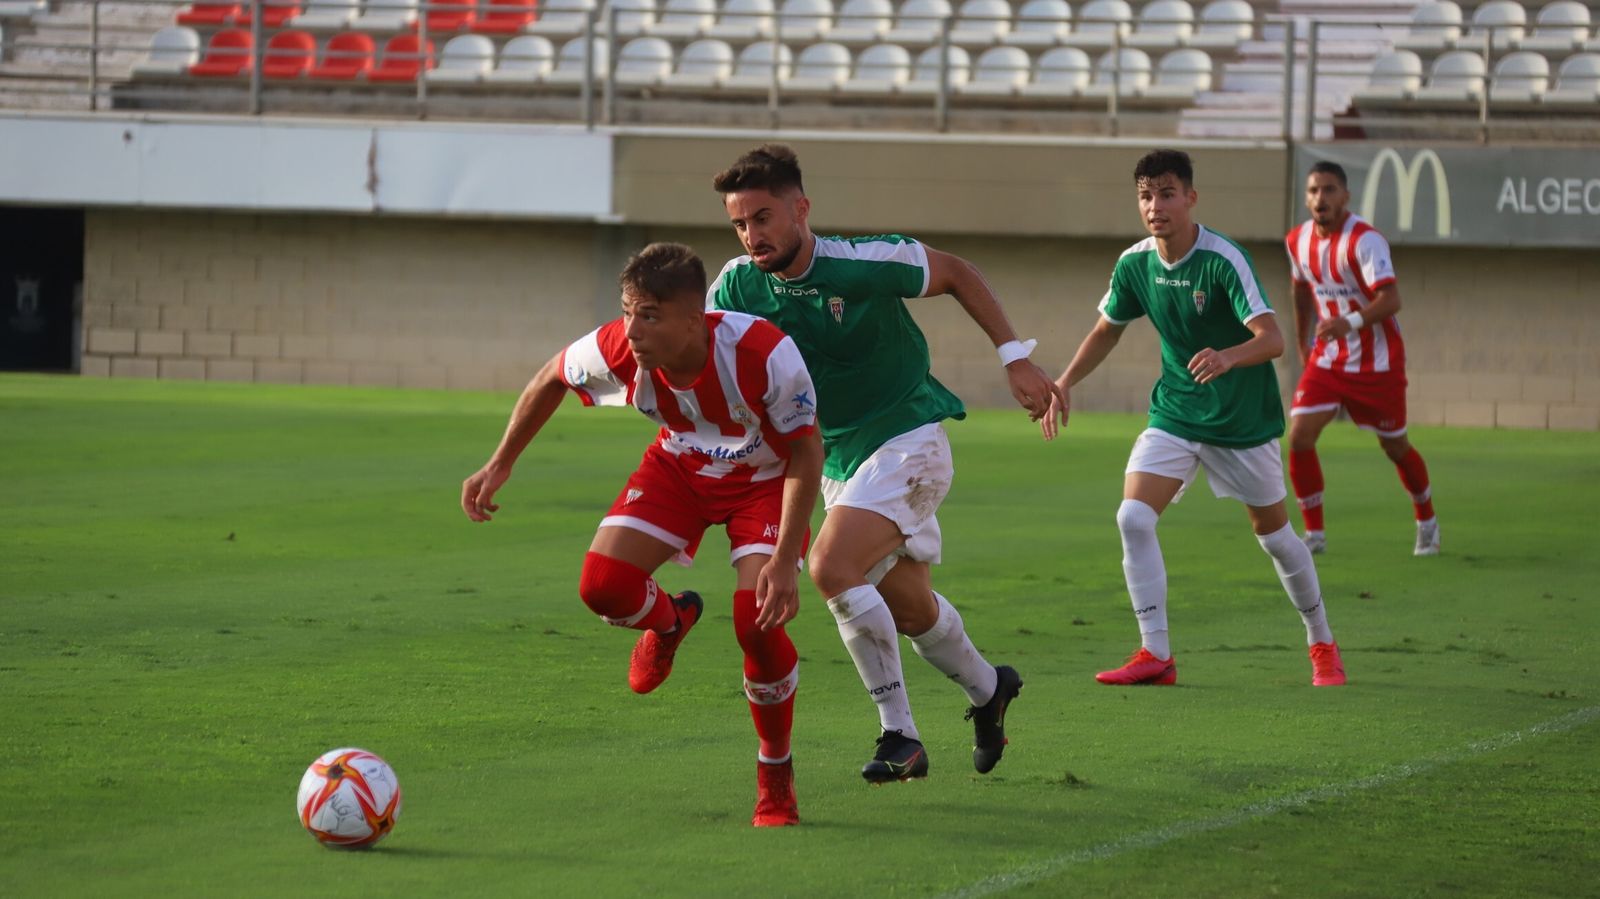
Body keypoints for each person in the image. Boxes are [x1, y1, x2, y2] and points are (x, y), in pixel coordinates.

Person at [707, 144, 1062, 784]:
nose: (751, 235)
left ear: (800, 209)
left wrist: (1015, 357)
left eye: (763, 217)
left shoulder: (860, 262)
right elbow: (715, 357)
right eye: (739, 223)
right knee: (912, 610)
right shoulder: (736, 285)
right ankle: (990, 689)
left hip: (909, 433)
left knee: (830, 566)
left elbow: (955, 271)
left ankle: (901, 735)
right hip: (838, 456)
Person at [461, 242, 824, 827]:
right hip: (680, 467)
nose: (631, 329)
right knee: (602, 586)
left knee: (755, 622)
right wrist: (500, 463)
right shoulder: (619, 346)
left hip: (765, 481)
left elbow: (808, 451)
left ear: (691, 318)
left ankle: (774, 770)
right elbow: (551, 375)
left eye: (648, 315)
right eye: (628, 310)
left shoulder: (763, 353)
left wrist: (784, 561)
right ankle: (669, 621)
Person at [1041, 149, 1346, 688]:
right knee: (1133, 518)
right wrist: (1064, 382)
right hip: (1176, 412)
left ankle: (1321, 641)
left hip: (1241, 422)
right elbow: (1108, 328)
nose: (1155, 206)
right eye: (1145, 196)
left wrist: (1228, 356)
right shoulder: (1135, 263)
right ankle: (1155, 655)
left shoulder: (1223, 258)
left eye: (1166, 194)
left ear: (1190, 198)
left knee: (1275, 538)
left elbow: (1272, 339)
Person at [1285, 161, 1439, 557]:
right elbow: (1300, 290)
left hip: (1378, 363)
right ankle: (1314, 535)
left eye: (1330, 190)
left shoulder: (1364, 241)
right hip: (1328, 359)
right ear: (1306, 197)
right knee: (1299, 435)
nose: (1322, 198)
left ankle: (1427, 521)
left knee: (1395, 447)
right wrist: (1303, 339)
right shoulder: (1297, 241)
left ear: (1345, 196)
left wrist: (1348, 322)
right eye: (1315, 190)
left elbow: (1391, 300)